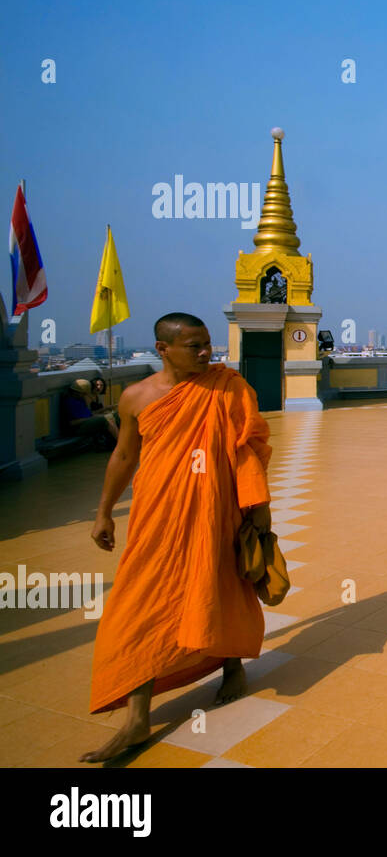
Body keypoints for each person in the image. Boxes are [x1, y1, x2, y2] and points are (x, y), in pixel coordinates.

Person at [81, 312, 273, 763]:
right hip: (156, 514)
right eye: (195, 346)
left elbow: (249, 449)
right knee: (138, 604)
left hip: (216, 506)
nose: (207, 353)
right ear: (162, 349)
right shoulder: (137, 397)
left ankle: (232, 666)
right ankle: (137, 715)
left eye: (207, 344)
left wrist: (259, 516)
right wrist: (103, 513)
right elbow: (125, 455)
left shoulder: (228, 388)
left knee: (219, 583)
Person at [62, 378, 118, 449]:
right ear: (77, 392)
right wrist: (94, 417)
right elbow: (72, 423)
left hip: (86, 422)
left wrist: (103, 413)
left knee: (114, 416)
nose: (85, 395)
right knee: (106, 419)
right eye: (83, 393)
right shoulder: (70, 402)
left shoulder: (80, 400)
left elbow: (89, 414)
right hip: (77, 428)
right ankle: (120, 444)